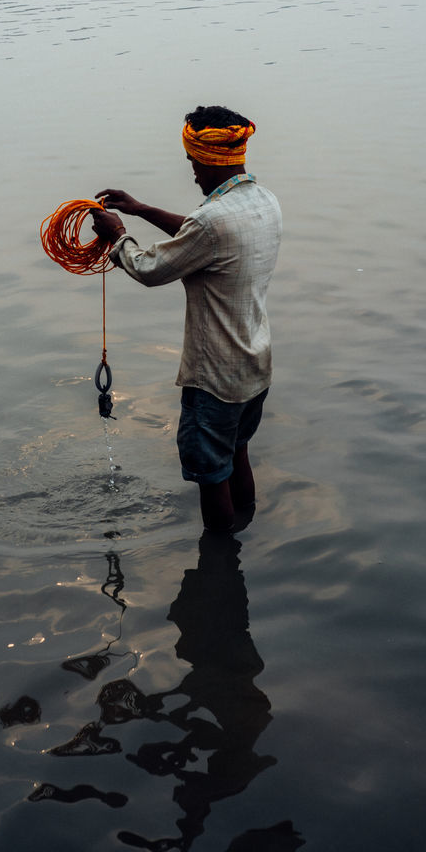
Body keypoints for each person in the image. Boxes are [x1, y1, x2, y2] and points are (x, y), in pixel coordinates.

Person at [91, 105, 282, 532]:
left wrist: (118, 235)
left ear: (208, 159)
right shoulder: (264, 202)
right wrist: (141, 209)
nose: (193, 173)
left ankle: (219, 556)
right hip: (255, 367)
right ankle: (245, 532)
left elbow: (148, 268)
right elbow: (202, 236)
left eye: (194, 163)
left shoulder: (212, 223)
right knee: (238, 452)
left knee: (212, 477)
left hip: (214, 379)